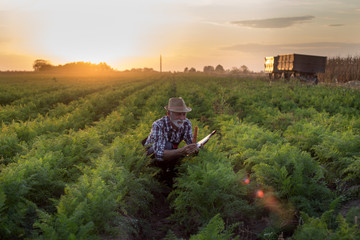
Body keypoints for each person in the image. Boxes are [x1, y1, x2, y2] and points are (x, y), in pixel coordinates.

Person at [144, 97, 199, 185]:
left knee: (175, 149)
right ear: (169, 114)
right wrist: (182, 151)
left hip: (171, 150)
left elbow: (190, 143)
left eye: (184, 114)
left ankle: (172, 175)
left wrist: (195, 147)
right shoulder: (158, 125)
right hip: (152, 152)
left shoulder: (186, 123)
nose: (181, 118)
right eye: (178, 114)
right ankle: (158, 176)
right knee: (169, 146)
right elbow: (159, 154)